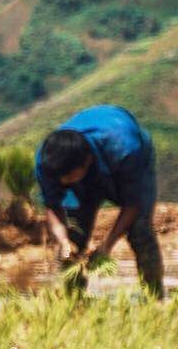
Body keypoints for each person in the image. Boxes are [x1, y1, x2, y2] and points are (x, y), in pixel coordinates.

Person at [35, 104, 164, 297]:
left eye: (69, 178)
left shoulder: (126, 150)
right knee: (73, 236)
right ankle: (72, 300)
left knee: (140, 230)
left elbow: (132, 205)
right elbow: (52, 206)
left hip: (128, 159)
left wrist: (106, 246)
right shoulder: (48, 161)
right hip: (92, 165)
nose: (65, 183)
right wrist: (63, 241)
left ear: (86, 162)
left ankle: (155, 295)